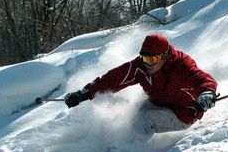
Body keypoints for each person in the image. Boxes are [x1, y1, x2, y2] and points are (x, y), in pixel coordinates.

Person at [64, 34, 217, 142]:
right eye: (144, 58)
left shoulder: (181, 66)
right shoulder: (140, 67)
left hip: (184, 113)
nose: (147, 63)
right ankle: (117, 145)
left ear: (164, 55)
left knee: (144, 121)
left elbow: (202, 78)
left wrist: (207, 93)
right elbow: (112, 79)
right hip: (159, 104)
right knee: (135, 114)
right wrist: (83, 94)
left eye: (152, 59)